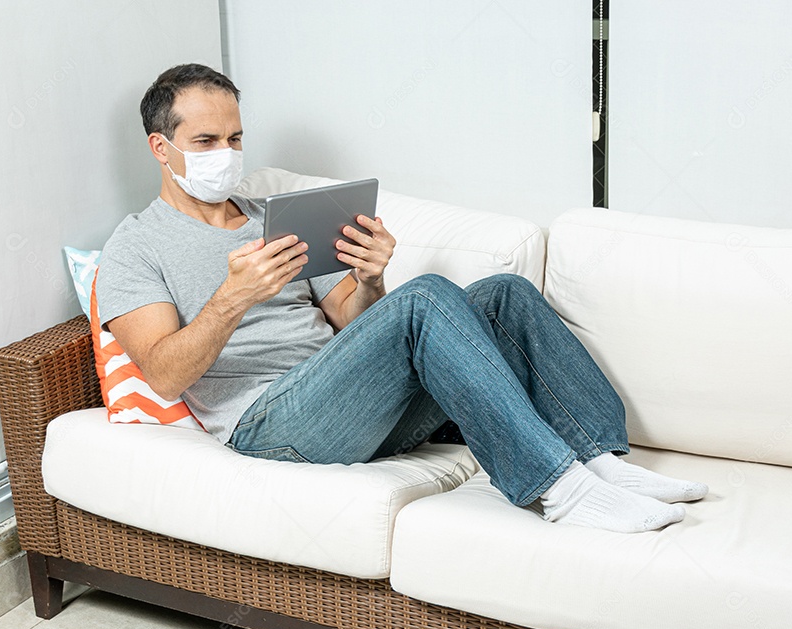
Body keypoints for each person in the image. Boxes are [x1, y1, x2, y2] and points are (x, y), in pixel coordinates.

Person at [96, 64, 707, 534]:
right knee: (428, 299)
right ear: (160, 147)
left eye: (234, 139)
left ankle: (598, 457)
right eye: (205, 142)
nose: (225, 156)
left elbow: (347, 319)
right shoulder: (135, 244)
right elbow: (164, 374)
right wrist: (232, 299)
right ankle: (561, 490)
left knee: (505, 295)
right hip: (267, 424)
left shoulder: (271, 215)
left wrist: (369, 278)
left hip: (347, 400)